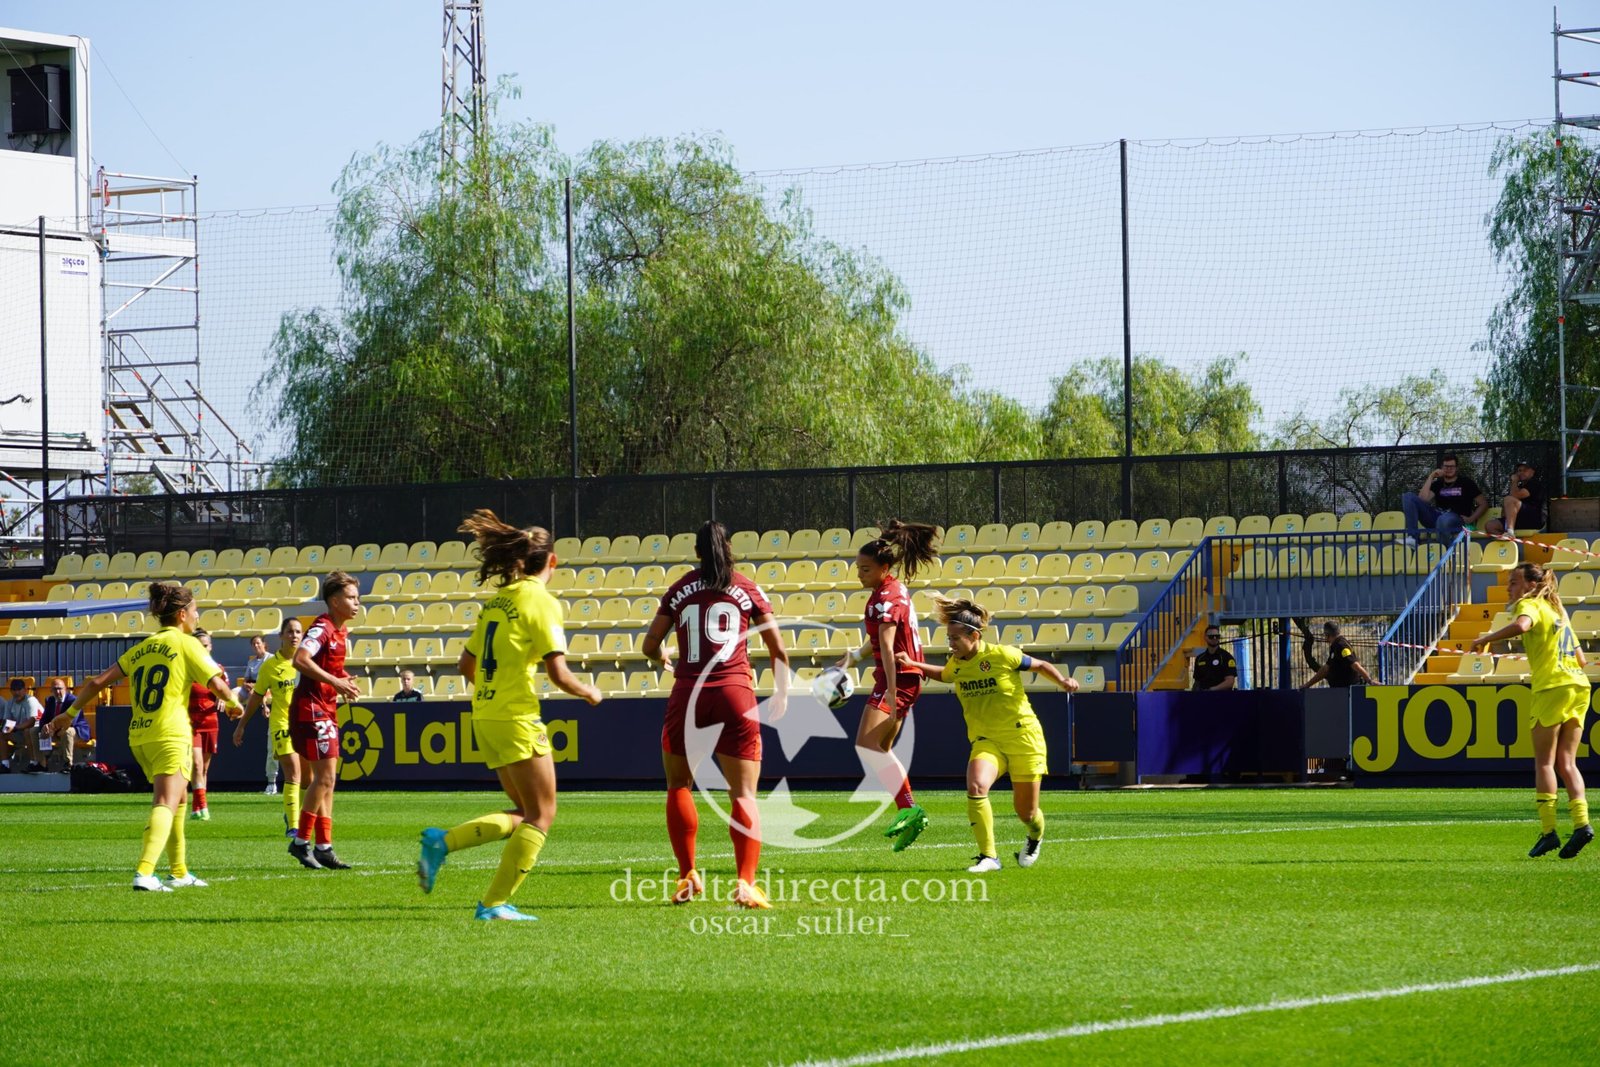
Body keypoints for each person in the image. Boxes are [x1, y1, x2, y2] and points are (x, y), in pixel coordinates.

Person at [416, 511, 601, 921]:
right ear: (551, 562)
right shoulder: (542, 602)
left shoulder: (498, 601)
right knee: (543, 814)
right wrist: (589, 691)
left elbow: (466, 665)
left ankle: (441, 844)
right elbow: (559, 673)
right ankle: (492, 902)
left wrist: (494, 690)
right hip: (517, 716)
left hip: (485, 715)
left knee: (523, 812)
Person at [641, 520, 790, 910]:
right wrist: (782, 692)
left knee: (678, 786)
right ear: (729, 550)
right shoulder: (746, 587)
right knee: (742, 792)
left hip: (688, 694)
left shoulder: (679, 589)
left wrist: (663, 657)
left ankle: (688, 874)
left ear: (696, 553)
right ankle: (746, 882)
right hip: (735, 692)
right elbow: (778, 650)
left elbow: (649, 644)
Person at [72, 581, 243, 890]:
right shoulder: (187, 643)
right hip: (171, 733)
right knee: (166, 800)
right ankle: (145, 872)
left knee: (177, 800)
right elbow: (217, 685)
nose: (197, 616)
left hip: (140, 736)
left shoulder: (141, 647)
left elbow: (98, 683)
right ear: (181, 614)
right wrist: (234, 704)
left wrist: (69, 713)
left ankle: (179, 872)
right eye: (194, 610)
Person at [895, 595, 1076, 873]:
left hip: (1023, 738)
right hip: (986, 740)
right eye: (949, 638)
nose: (951, 644)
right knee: (976, 786)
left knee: (1026, 813)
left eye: (955, 638)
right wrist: (914, 664)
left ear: (974, 635)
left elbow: (1039, 665)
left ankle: (1035, 836)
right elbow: (945, 675)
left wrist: (1063, 681)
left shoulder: (1002, 655)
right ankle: (989, 857)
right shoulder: (957, 663)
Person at [1470, 562, 1593, 859]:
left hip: (1551, 688)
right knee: (1567, 762)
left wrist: (1486, 639)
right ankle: (1582, 825)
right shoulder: (1559, 612)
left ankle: (1549, 832)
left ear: (1530, 585)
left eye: (1514, 582)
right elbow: (1581, 659)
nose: (1509, 588)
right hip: (1578, 686)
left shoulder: (1530, 604)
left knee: (1544, 764)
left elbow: (1523, 625)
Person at [834, 519, 941, 852]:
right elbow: (875, 644)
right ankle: (908, 811)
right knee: (880, 748)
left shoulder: (885, 598)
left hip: (898, 678)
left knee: (867, 745)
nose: (859, 574)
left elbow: (887, 642)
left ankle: (910, 809)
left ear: (883, 567)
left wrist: (892, 693)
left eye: (865, 569)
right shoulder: (893, 589)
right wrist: (852, 657)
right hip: (901, 678)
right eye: (857, 568)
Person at [288, 572, 362, 871]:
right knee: (325, 778)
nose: (357, 603)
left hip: (325, 707)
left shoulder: (340, 631)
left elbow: (321, 668)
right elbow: (300, 660)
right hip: (311, 709)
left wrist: (340, 681)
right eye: (351, 598)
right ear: (334, 601)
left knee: (328, 780)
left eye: (357, 598)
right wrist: (336, 681)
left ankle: (324, 846)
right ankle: (301, 841)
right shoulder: (322, 628)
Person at [233, 616, 304, 838]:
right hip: (281, 723)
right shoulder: (270, 666)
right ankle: (294, 826)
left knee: (308, 779)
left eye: (298, 632)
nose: (294, 635)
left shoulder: (306, 661)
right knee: (293, 773)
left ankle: (292, 812)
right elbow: (256, 698)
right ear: (281, 636)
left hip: (304, 725)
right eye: (290, 631)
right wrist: (241, 725)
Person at [1400, 453, 1488, 546]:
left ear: (1457, 468)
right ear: (1441, 467)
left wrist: (1471, 519)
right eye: (1446, 466)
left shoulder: (1466, 482)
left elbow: (1483, 504)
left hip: (1456, 518)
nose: (1449, 469)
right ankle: (1413, 538)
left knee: (1443, 519)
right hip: (1436, 516)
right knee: (1408, 496)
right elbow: (1422, 499)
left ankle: (1444, 551)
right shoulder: (1438, 484)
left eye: (1452, 466)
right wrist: (1431, 477)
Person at [186, 629, 227, 821]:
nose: (202, 649)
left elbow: (226, 692)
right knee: (196, 763)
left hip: (210, 721)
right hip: (190, 722)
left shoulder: (218, 670)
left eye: (205, 645)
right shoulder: (186, 670)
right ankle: (200, 806)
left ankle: (199, 807)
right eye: (198, 646)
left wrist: (224, 700)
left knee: (203, 769)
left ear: (210, 647)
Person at [241, 633, 274, 794]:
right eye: (253, 644)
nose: (256, 646)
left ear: (264, 644)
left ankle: (273, 783)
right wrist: (248, 686)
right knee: (233, 693)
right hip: (253, 690)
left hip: (265, 691)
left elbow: (268, 682)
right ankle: (232, 709)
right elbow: (246, 680)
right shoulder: (252, 662)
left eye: (258, 643)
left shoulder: (271, 659)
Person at [1484, 459, 1546, 538]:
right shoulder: (1518, 487)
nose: (1521, 473)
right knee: (1490, 526)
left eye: (1525, 470)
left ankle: (1510, 532)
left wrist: (1514, 481)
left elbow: (1514, 496)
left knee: (1509, 499)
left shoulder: (1535, 483)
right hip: (1519, 520)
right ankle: (1507, 540)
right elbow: (1509, 504)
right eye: (1519, 470)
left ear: (1532, 472)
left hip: (1534, 519)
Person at [1301, 622, 1372, 689]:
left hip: (1349, 690)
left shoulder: (1341, 646)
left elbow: (1354, 664)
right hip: (1341, 690)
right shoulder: (1335, 645)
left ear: (1327, 635)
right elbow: (1326, 668)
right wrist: (1308, 684)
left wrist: (1370, 681)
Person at [41, 678, 88, 772]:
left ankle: (68, 764)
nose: (57, 692)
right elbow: (44, 719)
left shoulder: (73, 700)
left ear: (65, 689)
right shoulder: (49, 700)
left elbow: (71, 722)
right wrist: (44, 727)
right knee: (35, 731)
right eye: (55, 689)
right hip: (56, 731)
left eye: (60, 688)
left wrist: (52, 727)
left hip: (76, 730)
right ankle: (40, 763)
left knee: (67, 732)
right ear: (51, 690)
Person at [1, 678, 45, 773]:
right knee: (2, 734)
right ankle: (5, 764)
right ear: (11, 691)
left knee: (27, 731)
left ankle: (34, 763)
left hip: (39, 733)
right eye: (14, 690)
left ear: (25, 690)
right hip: (21, 732)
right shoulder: (9, 703)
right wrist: (5, 728)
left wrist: (15, 727)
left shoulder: (31, 700)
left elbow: (31, 722)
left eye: (19, 689)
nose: (17, 692)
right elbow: (7, 721)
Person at [1189, 626, 1237, 691]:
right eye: (1211, 636)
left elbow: (1230, 682)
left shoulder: (1226, 657)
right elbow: (1197, 682)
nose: (1214, 638)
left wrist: (1212, 689)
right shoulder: (1200, 658)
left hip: (1223, 697)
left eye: (1217, 636)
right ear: (1205, 638)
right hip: (1204, 697)